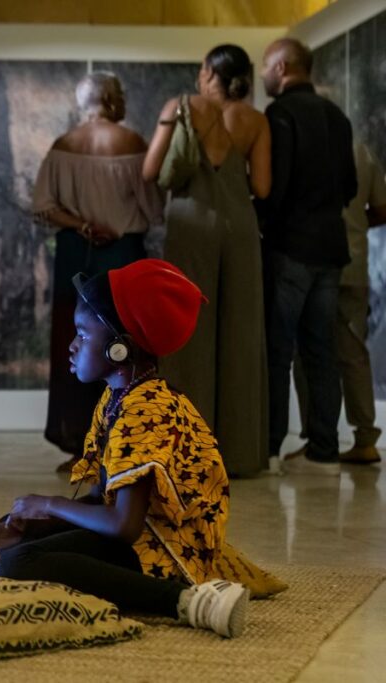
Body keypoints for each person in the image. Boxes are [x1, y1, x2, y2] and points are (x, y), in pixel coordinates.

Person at [0, 259, 251, 639]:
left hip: (170, 551)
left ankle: (188, 600)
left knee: (19, 563)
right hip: (141, 532)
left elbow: (124, 527)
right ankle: (27, 539)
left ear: (119, 350)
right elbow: (102, 500)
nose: (72, 345)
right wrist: (25, 528)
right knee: (19, 531)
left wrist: (46, 506)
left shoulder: (145, 409)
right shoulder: (120, 397)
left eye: (82, 333)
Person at [143, 44, 272, 478]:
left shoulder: (180, 106)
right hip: (239, 228)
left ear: (210, 72)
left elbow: (150, 170)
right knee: (241, 336)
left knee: (187, 332)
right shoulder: (255, 120)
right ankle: (237, 456)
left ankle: (185, 451)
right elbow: (264, 187)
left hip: (190, 224)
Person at [32, 71, 163, 473]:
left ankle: (80, 446)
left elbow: (43, 207)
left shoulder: (62, 146)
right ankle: (128, 440)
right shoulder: (134, 144)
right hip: (123, 257)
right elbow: (153, 209)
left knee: (76, 347)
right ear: (115, 99)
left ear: (82, 101)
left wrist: (82, 225)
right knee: (129, 348)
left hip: (76, 253)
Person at [259, 38, 357, 476]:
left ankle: (270, 445)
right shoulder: (337, 116)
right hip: (331, 249)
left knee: (279, 351)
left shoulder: (279, 114)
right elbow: (350, 187)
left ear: (281, 67)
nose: (263, 75)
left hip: (290, 248)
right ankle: (325, 447)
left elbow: (274, 189)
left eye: (266, 66)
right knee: (321, 351)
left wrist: (261, 221)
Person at [291, 143, 386, 465]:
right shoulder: (362, 151)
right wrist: (356, 223)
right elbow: (382, 208)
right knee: (352, 351)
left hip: (313, 260)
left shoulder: (304, 146)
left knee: (308, 352)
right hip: (354, 262)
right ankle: (365, 435)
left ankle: (318, 436)